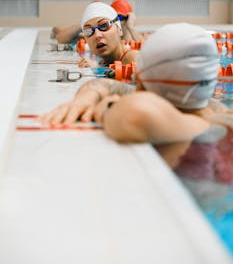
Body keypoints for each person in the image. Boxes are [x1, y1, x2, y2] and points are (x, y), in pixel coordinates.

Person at [39, 22, 233, 174]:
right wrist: (86, 98)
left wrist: (108, 105)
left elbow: (133, 115)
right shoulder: (211, 107)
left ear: (141, 80)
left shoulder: (202, 127)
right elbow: (107, 84)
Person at [76, 1, 138, 68]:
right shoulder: (102, 62)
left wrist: (96, 69)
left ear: (119, 30)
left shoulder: (132, 58)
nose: (97, 35)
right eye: (89, 31)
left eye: (104, 26)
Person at [51, 0, 141, 45]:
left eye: (121, 17)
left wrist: (131, 27)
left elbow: (146, 51)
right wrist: (86, 22)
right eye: (115, 17)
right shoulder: (99, 36)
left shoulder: (136, 38)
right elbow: (60, 38)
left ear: (130, 19)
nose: (118, 22)